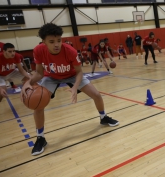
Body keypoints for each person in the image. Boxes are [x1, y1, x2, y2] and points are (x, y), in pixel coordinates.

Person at [21, 23, 119, 156]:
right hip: (51, 77)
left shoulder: (70, 51)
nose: (56, 44)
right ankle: (40, 138)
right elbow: (39, 73)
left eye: (59, 40)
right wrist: (29, 82)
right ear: (43, 42)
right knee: (38, 106)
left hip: (72, 75)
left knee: (96, 94)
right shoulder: (38, 50)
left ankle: (104, 117)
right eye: (51, 41)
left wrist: (74, 88)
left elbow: (79, 72)